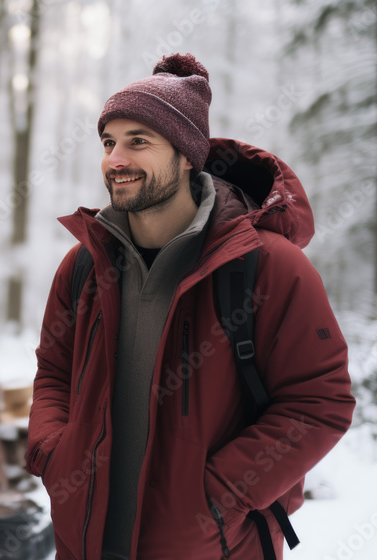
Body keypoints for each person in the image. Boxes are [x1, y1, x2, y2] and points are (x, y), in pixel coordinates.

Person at [25, 53, 356, 560]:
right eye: (109, 142)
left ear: (186, 156)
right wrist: (53, 453)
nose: (115, 160)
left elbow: (319, 402)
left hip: (211, 546)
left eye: (138, 141)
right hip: (85, 540)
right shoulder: (84, 264)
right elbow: (53, 371)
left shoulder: (268, 266)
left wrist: (218, 497)